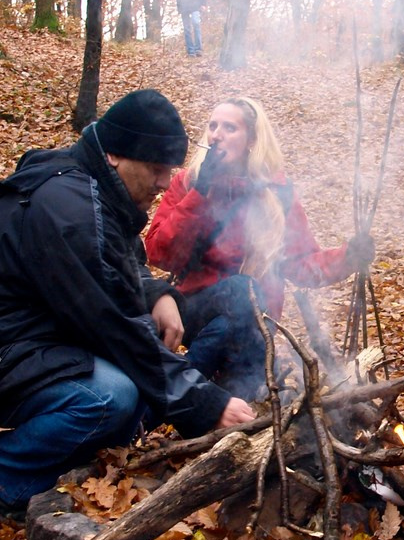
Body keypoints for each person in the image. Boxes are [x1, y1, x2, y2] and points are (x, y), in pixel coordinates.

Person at [0, 89, 257, 523]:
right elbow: (112, 326)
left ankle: (68, 458)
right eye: (156, 169)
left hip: (29, 341)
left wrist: (159, 295)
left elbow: (120, 269)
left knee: (138, 375)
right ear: (116, 155)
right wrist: (206, 403)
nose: (162, 183)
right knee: (110, 396)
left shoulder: (96, 190)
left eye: (168, 170)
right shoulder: (66, 205)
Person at [144, 96, 375, 398]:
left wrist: (348, 257)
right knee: (244, 290)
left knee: (245, 311)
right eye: (213, 126)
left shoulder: (276, 192)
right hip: (195, 308)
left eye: (230, 128)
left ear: (252, 139)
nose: (217, 135)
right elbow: (159, 251)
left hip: (254, 325)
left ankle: (222, 400)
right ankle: (178, 393)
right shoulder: (191, 183)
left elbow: (302, 264)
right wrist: (200, 194)